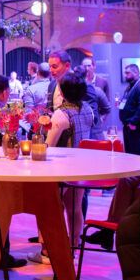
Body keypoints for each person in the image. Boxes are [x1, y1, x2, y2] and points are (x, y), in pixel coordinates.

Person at [37, 71, 94, 257]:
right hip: (81, 167)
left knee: (51, 209)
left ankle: (49, 250)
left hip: (61, 169)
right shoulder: (88, 109)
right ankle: (73, 247)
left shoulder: (61, 115)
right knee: (75, 208)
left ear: (62, 91)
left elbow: (49, 146)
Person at [119, 63, 140, 156]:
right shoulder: (131, 86)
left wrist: (133, 122)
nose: (125, 75)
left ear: (136, 72)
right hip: (128, 124)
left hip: (137, 124)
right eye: (125, 73)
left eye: (127, 73)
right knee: (129, 153)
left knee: (136, 152)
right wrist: (120, 105)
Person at [76, 66, 111, 140]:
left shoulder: (70, 92)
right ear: (86, 74)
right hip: (95, 133)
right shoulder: (96, 90)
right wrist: (97, 113)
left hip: (77, 135)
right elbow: (107, 108)